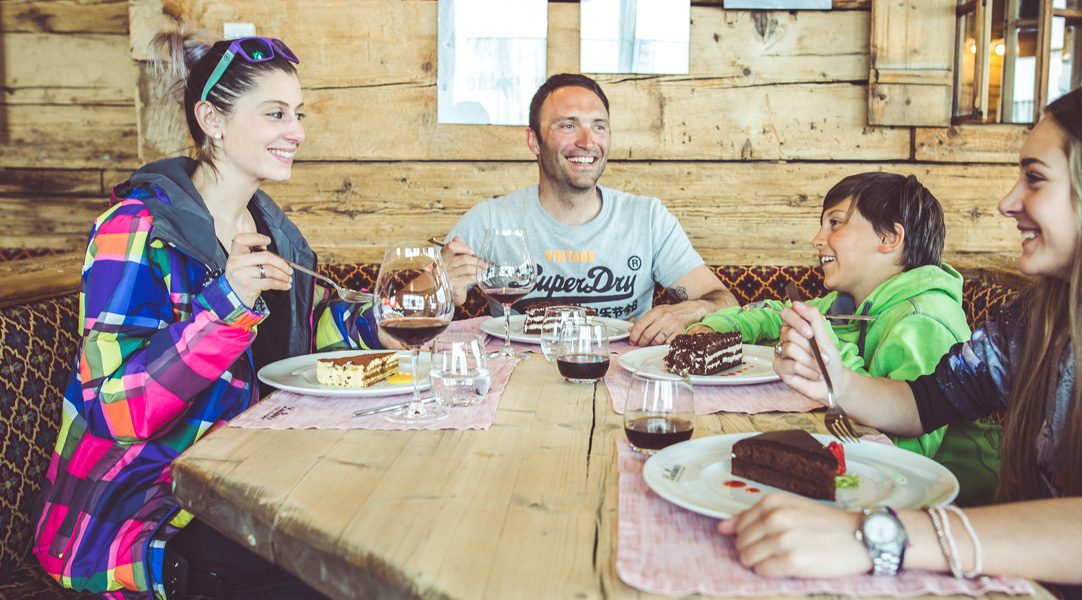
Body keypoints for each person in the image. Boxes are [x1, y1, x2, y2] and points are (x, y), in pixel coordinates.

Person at [723, 72, 1082, 598]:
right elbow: (925, 401)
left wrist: (872, 537)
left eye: (1035, 179)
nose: (1008, 202)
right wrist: (837, 381)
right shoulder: (1052, 312)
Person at [32, 31, 383, 599]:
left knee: (374, 538)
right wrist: (228, 304)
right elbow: (113, 409)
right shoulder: (135, 229)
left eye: (297, 113)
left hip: (247, 490)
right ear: (212, 120)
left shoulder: (274, 234)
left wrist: (394, 311)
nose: (297, 132)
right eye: (275, 114)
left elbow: (306, 339)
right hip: (144, 520)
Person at [688, 172, 1000, 504]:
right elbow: (776, 310)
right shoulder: (850, 303)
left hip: (957, 506)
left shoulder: (924, 320)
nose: (817, 239)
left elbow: (907, 454)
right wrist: (713, 327)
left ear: (889, 237)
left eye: (835, 223)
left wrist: (832, 352)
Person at [441, 73, 737, 345]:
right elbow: (400, 316)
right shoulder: (491, 219)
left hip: (625, 381)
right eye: (568, 125)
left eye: (599, 127)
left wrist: (694, 309)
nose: (587, 142)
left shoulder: (647, 219)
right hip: (520, 384)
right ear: (534, 141)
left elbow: (725, 301)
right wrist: (440, 287)